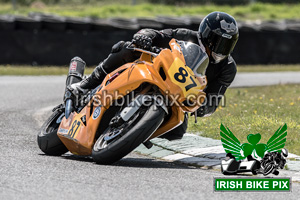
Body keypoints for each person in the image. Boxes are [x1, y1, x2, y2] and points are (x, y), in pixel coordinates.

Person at [67, 11, 239, 140]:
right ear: (207, 35)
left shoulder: (228, 68)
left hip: (178, 98)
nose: (221, 49)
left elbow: (215, 99)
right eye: (218, 42)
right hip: (157, 75)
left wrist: (204, 107)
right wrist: (144, 36)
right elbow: (158, 34)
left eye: (227, 44)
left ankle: (135, 133)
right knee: (127, 48)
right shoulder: (186, 36)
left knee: (177, 132)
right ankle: (85, 84)